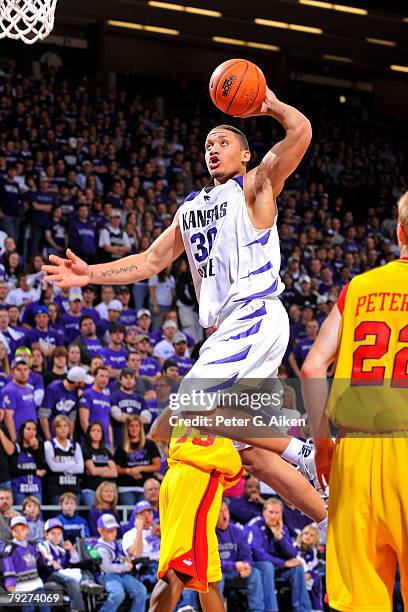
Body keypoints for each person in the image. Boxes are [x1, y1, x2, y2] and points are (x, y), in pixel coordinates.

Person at [43, 90, 328, 603]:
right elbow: (151, 261)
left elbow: (301, 132)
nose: (212, 148)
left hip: (254, 312)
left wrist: (266, 101)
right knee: (252, 457)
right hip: (225, 331)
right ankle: (334, 515)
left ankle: (300, 448)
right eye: (207, 144)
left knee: (190, 409)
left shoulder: (256, 186)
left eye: (222, 141)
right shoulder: (191, 208)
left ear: (243, 154)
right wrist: (90, 276)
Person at [301, 192, 408, 611]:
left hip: (355, 454)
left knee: (359, 601)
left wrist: (324, 446)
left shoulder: (359, 287)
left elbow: (312, 369)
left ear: (399, 231)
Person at [245, 498, 311, 611]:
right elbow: (258, 554)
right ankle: (271, 610)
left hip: (277, 567)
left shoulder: (282, 527)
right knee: (267, 566)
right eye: (271, 512)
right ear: (264, 512)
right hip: (256, 566)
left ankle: (303, 610)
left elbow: (293, 553)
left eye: (277, 513)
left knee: (298, 569)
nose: (274, 516)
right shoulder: (254, 525)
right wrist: (284, 563)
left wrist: (280, 537)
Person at [216, 500, 268, 612]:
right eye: (219, 512)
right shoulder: (209, 532)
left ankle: (257, 610)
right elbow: (211, 563)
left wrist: (247, 566)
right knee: (217, 576)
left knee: (255, 573)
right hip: (219, 570)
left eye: (226, 510)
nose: (224, 514)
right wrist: (234, 566)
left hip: (235, 570)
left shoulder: (237, 531)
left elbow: (247, 555)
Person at [94, 513, 147, 612]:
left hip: (121, 574)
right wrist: (125, 567)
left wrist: (125, 559)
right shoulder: (100, 548)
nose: (113, 533)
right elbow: (106, 567)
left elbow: (119, 556)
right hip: (107, 576)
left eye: (114, 529)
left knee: (141, 591)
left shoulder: (114, 543)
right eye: (109, 530)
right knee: (118, 593)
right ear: (100, 530)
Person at [3, 516, 52, 612]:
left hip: (35, 581)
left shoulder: (32, 545)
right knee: (29, 608)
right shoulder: (9, 548)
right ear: (12, 531)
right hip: (21, 584)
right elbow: (8, 566)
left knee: (44, 606)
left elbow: (39, 562)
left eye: (22, 529)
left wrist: (44, 558)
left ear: (27, 530)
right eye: (16, 530)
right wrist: (10, 582)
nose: (19, 532)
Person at [37, 517, 86, 612]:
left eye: (59, 534)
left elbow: (74, 560)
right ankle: (77, 608)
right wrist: (52, 561)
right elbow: (43, 551)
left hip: (60, 574)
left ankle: (70, 595)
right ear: (46, 535)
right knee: (71, 581)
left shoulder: (61, 549)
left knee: (83, 574)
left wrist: (71, 549)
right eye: (53, 534)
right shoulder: (44, 545)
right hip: (48, 575)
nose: (56, 536)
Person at [114, 415, 161, 505]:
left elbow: (157, 466)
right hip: (126, 487)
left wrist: (139, 468)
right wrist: (129, 471)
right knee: (129, 511)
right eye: (131, 426)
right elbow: (116, 469)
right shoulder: (121, 447)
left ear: (140, 428)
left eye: (136, 426)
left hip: (145, 487)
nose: (134, 428)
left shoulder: (150, 445)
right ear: (127, 428)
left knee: (144, 508)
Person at [39, 366, 93, 440]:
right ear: (77, 382)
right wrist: (48, 439)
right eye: (83, 382)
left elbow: (71, 417)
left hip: (64, 435)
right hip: (52, 432)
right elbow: (43, 416)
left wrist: (70, 437)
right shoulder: (53, 389)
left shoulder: (76, 392)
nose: (85, 384)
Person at [44, 415, 84, 505]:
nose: (63, 429)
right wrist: (72, 463)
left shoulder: (75, 445)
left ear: (69, 428)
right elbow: (54, 468)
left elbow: (80, 469)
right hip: (56, 490)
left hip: (74, 488)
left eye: (65, 426)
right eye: (59, 426)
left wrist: (61, 464)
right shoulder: (49, 444)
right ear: (54, 429)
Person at [9, 419, 47, 504]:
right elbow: (13, 470)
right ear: (22, 431)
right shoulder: (15, 447)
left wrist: (36, 449)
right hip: (19, 488)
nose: (32, 432)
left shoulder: (40, 447)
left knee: (37, 515)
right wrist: (34, 471)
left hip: (35, 488)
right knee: (20, 515)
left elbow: (43, 469)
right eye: (28, 429)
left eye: (34, 429)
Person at [1, 356, 38, 441]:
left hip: (31, 436)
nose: (23, 373)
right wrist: (14, 441)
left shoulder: (29, 389)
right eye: (19, 370)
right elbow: (8, 418)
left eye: (25, 369)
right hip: (19, 437)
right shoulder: (9, 390)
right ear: (12, 372)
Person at [81, 422, 118, 507]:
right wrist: (106, 468)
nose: (96, 433)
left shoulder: (106, 451)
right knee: (95, 511)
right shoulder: (85, 450)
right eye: (93, 430)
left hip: (105, 490)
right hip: (90, 488)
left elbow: (114, 473)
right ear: (89, 434)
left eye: (99, 431)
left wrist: (97, 470)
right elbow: (93, 471)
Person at [79, 365, 113, 449]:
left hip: (105, 441)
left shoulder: (106, 397)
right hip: (91, 442)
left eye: (106, 377)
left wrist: (111, 443)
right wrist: (92, 439)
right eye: (101, 376)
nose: (104, 379)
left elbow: (108, 422)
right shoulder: (87, 394)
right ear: (94, 377)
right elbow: (83, 421)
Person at [295, 525, 324, 611]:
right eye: (306, 533)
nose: (308, 536)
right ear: (301, 535)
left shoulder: (313, 550)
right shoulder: (295, 546)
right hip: (299, 570)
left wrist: (310, 572)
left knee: (317, 579)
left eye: (311, 535)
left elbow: (314, 562)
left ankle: (317, 607)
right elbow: (297, 559)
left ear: (315, 539)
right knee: (307, 582)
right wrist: (306, 571)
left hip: (310, 571)